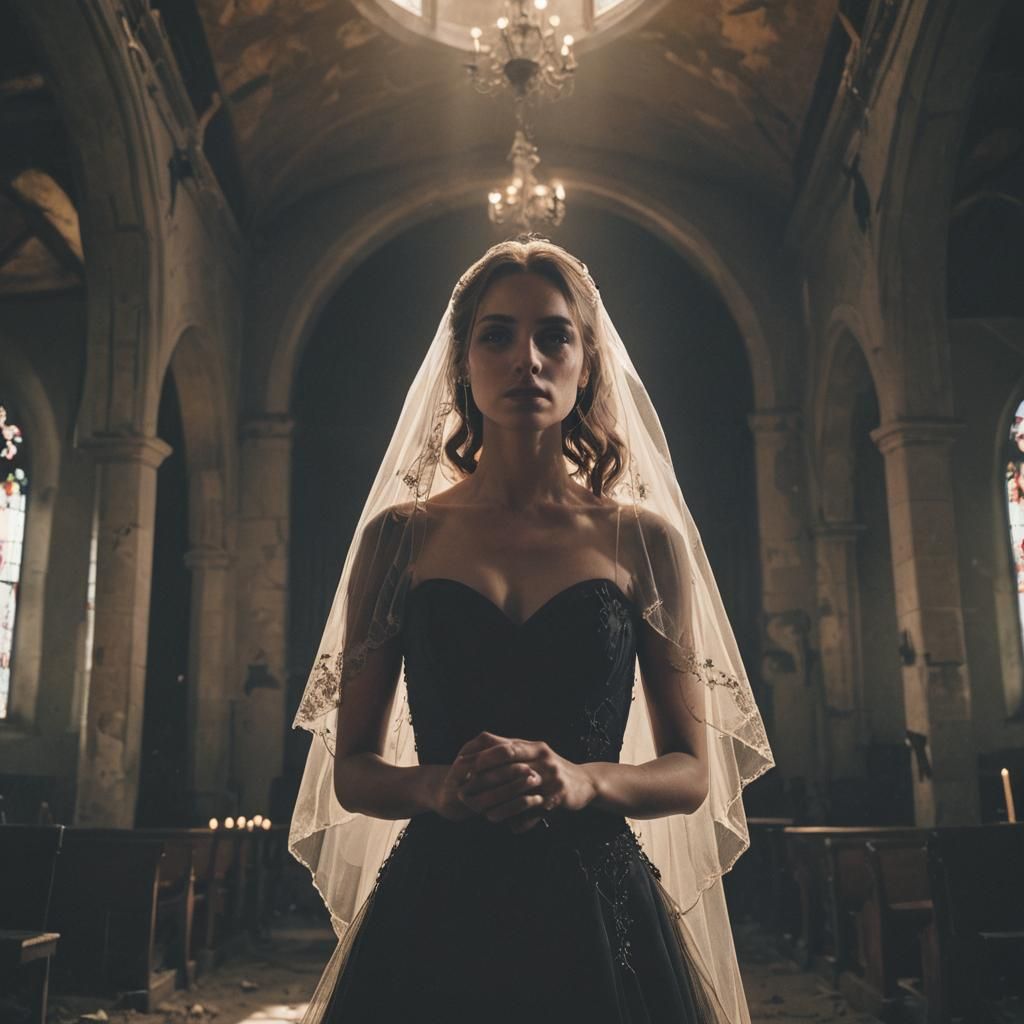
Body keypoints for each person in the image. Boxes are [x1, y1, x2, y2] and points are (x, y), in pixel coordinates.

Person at [290, 236, 774, 1023]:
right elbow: (353, 770)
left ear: (586, 361)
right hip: (436, 903)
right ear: (463, 365)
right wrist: (437, 786)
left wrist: (584, 780)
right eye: (498, 335)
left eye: (554, 334)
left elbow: (690, 773)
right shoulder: (398, 538)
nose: (527, 359)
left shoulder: (642, 541)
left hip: (597, 903)